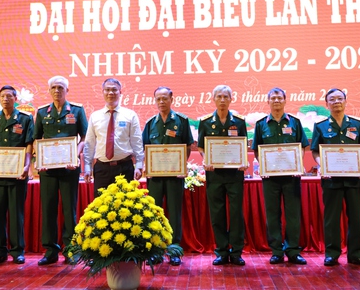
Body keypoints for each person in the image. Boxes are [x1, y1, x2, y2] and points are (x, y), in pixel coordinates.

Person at [311, 88, 360, 267]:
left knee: (355, 217)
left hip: (354, 178)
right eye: (332, 99)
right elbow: (315, 150)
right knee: (331, 218)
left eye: (340, 98)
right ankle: (331, 254)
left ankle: (356, 254)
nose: (336, 102)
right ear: (327, 104)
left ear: (345, 102)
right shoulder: (320, 126)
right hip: (331, 179)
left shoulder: (357, 124)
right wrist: (321, 165)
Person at [33, 76, 87, 266]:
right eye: (54, 87)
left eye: (61, 87)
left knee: (69, 210)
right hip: (48, 169)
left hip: (69, 169)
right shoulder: (42, 112)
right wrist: (39, 159)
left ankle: (71, 249)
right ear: (49, 91)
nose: (57, 90)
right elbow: (36, 138)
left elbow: (84, 137)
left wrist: (75, 155)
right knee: (48, 209)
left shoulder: (77, 110)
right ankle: (50, 251)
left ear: (67, 90)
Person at [252, 87, 309, 265]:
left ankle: (293, 250)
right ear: (268, 101)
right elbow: (257, 150)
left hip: (291, 177)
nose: (276, 101)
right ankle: (276, 251)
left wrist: (298, 163)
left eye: (279, 98)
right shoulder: (261, 124)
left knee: (293, 215)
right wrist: (265, 165)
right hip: (270, 178)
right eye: (273, 98)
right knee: (272, 215)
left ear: (285, 101)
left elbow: (302, 146)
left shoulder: (295, 122)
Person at [0, 85, 34, 265]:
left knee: (16, 213)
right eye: (2, 96)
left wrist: (27, 165)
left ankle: (17, 251)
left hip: (17, 174)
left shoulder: (25, 119)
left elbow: (28, 144)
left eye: (9, 96)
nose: (5, 99)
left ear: (15, 99)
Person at [142, 86, 194, 266]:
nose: (161, 102)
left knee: (174, 212)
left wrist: (180, 165)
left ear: (172, 99)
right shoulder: (150, 123)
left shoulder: (182, 121)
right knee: (155, 213)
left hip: (174, 176)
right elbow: (145, 148)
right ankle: (156, 251)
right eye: (158, 99)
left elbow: (188, 146)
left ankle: (174, 250)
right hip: (155, 177)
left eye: (165, 98)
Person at [197, 84, 248, 266]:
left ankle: (236, 252)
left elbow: (243, 145)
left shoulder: (239, 122)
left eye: (226, 96)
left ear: (231, 99)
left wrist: (243, 161)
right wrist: (206, 159)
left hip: (234, 175)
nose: (222, 100)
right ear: (213, 99)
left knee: (236, 214)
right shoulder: (205, 122)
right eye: (219, 96)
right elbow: (201, 147)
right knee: (217, 214)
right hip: (215, 175)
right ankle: (221, 251)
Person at [83, 78, 144, 195]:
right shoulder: (95, 116)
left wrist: (139, 164)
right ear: (102, 92)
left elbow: (136, 141)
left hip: (124, 168)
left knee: (125, 204)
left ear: (120, 92)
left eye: (114, 90)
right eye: (107, 90)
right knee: (101, 204)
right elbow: (89, 144)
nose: (110, 93)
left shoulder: (130, 115)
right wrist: (87, 167)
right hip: (102, 169)